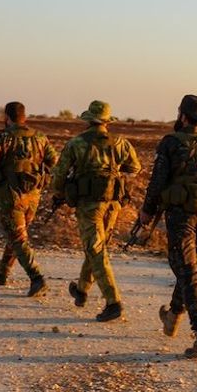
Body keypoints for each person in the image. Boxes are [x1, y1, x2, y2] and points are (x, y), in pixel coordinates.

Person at [138, 95, 197, 360]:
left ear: (182, 116)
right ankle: (172, 317)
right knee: (187, 268)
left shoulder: (171, 143)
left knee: (187, 270)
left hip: (181, 218)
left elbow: (157, 181)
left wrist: (147, 210)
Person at [50, 100, 141, 322]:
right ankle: (81, 290)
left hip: (89, 204)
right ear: (107, 121)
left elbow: (59, 175)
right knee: (96, 247)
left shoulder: (76, 143)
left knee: (96, 249)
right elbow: (135, 168)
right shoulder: (120, 142)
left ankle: (113, 302)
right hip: (113, 203)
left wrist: (59, 193)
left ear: (89, 120)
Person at [0, 101, 57, 297]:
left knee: (18, 237)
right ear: (25, 116)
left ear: (6, 117)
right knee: (17, 234)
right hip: (33, 196)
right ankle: (2, 272)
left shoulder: (2, 137)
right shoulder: (39, 137)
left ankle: (36, 277)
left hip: (11, 195)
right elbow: (53, 160)